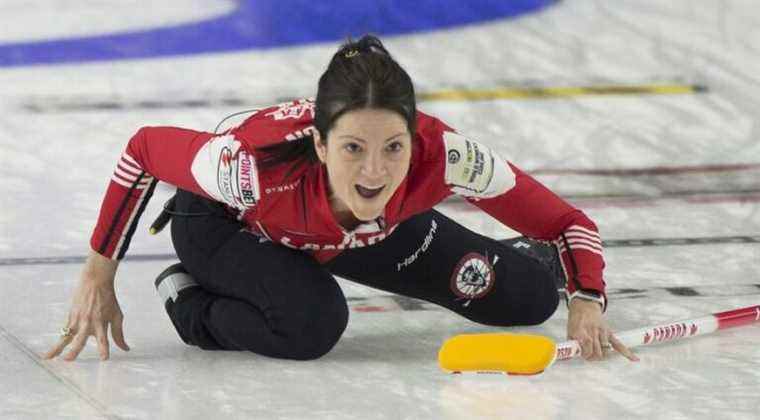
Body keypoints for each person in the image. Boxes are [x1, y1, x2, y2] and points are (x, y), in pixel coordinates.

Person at [44, 35, 638, 363]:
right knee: (311, 324)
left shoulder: (446, 154)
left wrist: (587, 296)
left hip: (348, 233)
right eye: (354, 148)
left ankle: (516, 260)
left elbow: (567, 221)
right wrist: (99, 273)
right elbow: (144, 150)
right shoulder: (248, 167)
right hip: (228, 227)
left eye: (394, 149)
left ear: (416, 139)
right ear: (321, 145)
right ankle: (190, 303)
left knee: (530, 298)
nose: (375, 172)